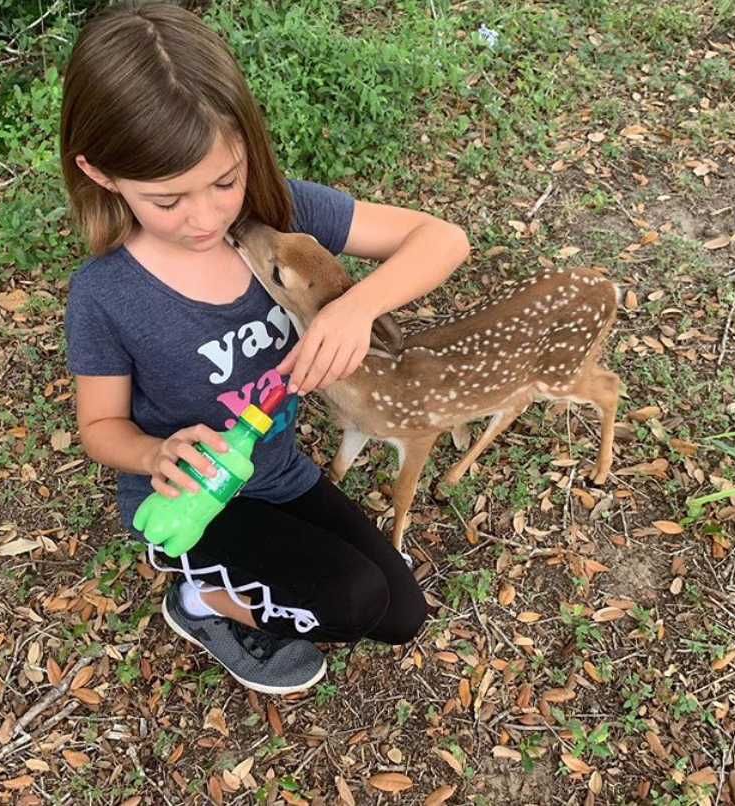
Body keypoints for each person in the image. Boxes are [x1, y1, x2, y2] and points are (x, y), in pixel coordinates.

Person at [60, 1, 470, 695]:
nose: (210, 216)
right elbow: (100, 428)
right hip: (198, 502)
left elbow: (444, 238)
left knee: (401, 615)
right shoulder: (106, 294)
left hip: (277, 469)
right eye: (168, 199)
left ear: (246, 145)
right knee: (351, 603)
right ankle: (200, 601)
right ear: (102, 174)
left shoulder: (280, 215)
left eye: (226, 180)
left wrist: (357, 308)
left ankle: (236, 588)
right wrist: (156, 454)